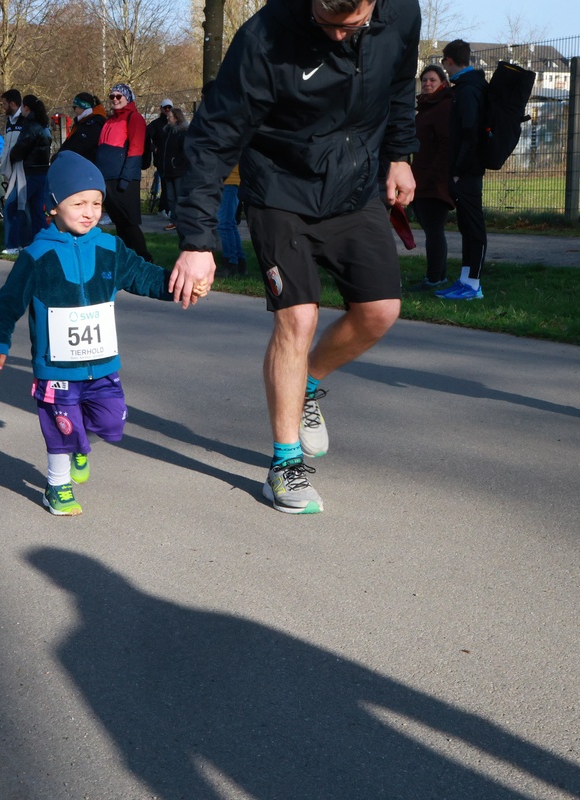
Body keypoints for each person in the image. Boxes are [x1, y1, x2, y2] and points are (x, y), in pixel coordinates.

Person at [170, 0, 420, 515]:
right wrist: (197, 242)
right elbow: (213, 138)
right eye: (326, 24)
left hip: (355, 185)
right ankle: (284, 465)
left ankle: (307, 385)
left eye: (352, 26)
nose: (338, 37)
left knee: (380, 311)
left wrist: (399, 154)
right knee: (297, 318)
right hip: (280, 189)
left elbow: (399, 84)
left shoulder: (401, 11)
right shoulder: (265, 37)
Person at [0, 151, 176, 516]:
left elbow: (144, 275)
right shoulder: (37, 255)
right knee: (61, 428)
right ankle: (57, 487)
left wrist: (177, 285)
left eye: (96, 203)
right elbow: (8, 302)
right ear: (53, 206)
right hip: (56, 368)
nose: (90, 212)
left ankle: (79, 443)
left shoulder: (110, 248)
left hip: (102, 364)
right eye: (79, 203)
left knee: (112, 421)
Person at [435, 39, 487, 301]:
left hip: (467, 170)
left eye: (444, 63)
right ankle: (465, 280)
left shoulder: (468, 90)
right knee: (466, 226)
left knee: (474, 227)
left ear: (449, 61)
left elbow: (469, 133)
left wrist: (458, 169)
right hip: (465, 169)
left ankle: (474, 284)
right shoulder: (468, 86)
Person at [409, 64, 456, 292]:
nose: (427, 84)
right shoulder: (426, 108)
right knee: (432, 231)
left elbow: (447, 145)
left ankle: (434, 278)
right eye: (424, 80)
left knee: (434, 231)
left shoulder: (443, 107)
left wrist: (433, 175)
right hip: (421, 179)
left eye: (432, 80)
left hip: (434, 181)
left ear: (443, 83)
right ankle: (438, 276)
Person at [95, 83, 152, 262]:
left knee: (129, 222)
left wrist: (126, 178)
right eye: (112, 96)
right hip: (107, 177)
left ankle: (145, 259)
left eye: (119, 96)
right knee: (119, 222)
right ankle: (126, 260)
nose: (115, 99)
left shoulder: (134, 118)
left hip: (123, 178)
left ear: (127, 98)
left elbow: (136, 149)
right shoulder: (109, 120)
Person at [9, 95, 52, 245]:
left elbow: (20, 148)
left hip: (29, 172)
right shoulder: (44, 126)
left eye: (22, 106)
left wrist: (12, 155)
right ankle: (41, 241)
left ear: (26, 108)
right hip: (42, 171)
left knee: (16, 206)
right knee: (37, 209)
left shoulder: (30, 126)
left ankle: (16, 243)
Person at [0, 89, 27, 254]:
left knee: (15, 206)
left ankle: (15, 244)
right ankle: (14, 244)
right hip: (10, 171)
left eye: (4, 104)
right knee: (11, 206)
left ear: (12, 103)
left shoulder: (24, 119)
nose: (3, 107)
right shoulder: (9, 121)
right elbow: (6, 146)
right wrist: (3, 164)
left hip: (22, 170)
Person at [160, 107, 190, 231]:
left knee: (179, 197)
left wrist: (177, 163)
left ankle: (182, 220)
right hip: (168, 170)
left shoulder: (182, 133)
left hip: (178, 171)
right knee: (170, 198)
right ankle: (174, 220)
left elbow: (186, 152)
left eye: (170, 116)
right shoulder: (168, 132)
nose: (167, 118)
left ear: (176, 118)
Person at [144, 99, 173, 215]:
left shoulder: (174, 123)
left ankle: (165, 207)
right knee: (165, 183)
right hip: (161, 159)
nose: (167, 110)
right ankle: (164, 208)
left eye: (169, 108)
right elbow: (146, 137)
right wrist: (153, 148)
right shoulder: (155, 124)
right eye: (165, 108)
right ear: (161, 109)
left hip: (172, 159)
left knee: (170, 184)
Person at [60, 92, 106, 162]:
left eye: (74, 107)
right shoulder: (82, 122)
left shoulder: (93, 124)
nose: (74, 110)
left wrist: (61, 156)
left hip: (83, 163)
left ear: (83, 107)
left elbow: (77, 146)